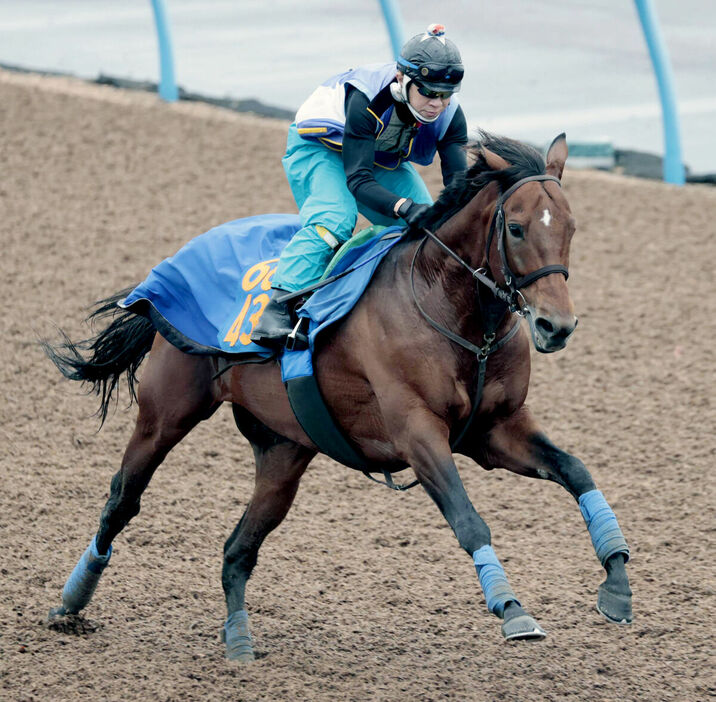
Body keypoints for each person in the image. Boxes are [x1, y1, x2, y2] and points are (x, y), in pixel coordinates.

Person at [251, 23, 468, 347]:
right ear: (401, 79)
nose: (436, 104)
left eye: (445, 95)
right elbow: (359, 180)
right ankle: (278, 309)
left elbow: (459, 190)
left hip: (377, 156)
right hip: (320, 149)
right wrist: (404, 207)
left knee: (434, 227)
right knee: (335, 218)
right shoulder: (366, 99)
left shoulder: (451, 117)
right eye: (427, 92)